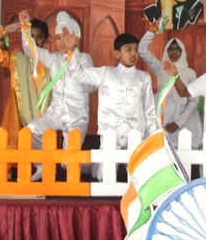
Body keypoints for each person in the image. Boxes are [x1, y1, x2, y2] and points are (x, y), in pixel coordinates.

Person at [63, 32, 158, 180]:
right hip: (110, 132)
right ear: (117, 53)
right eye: (128, 49)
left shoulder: (144, 78)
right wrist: (71, 50)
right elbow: (78, 73)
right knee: (106, 176)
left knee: (137, 178)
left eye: (136, 49)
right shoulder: (106, 73)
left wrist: (152, 135)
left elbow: (149, 110)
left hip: (136, 132)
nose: (133, 53)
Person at [17, 10, 93, 153]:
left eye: (66, 37)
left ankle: (90, 166)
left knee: (68, 163)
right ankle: (40, 166)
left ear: (76, 39)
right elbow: (32, 51)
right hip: (55, 113)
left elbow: (90, 87)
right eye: (58, 38)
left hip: (76, 115)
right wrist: (26, 27)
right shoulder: (53, 58)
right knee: (33, 128)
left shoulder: (84, 59)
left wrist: (72, 56)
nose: (62, 41)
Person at [0, 19, 50, 147]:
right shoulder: (15, 59)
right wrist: (5, 32)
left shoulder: (52, 62)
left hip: (43, 115)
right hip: (17, 112)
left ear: (46, 40)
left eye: (39, 37)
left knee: (45, 161)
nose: (34, 41)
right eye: (30, 37)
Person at [137, 24, 202, 146]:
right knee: (161, 151)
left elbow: (193, 101)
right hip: (162, 114)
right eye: (171, 49)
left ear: (182, 52)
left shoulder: (190, 73)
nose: (174, 52)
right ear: (166, 51)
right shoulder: (161, 67)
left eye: (177, 49)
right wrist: (152, 31)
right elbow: (142, 50)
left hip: (185, 119)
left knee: (184, 154)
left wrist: (178, 122)